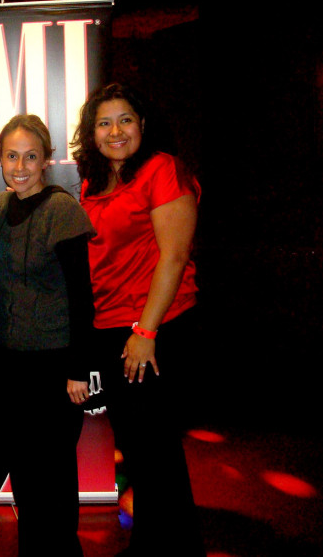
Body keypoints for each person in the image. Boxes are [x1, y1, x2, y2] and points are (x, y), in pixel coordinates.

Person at [71, 83, 206, 556]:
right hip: (111, 327)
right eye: (104, 123)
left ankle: (170, 547)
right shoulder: (93, 182)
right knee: (138, 447)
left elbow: (174, 256)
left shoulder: (161, 169)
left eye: (125, 120)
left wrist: (145, 331)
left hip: (153, 327)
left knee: (156, 448)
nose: (115, 131)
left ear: (142, 125)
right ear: (91, 133)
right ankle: (156, 542)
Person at [0, 114, 94, 556]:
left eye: (30, 157)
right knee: (24, 470)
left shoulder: (61, 210)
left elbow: (82, 296)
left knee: (54, 472)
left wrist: (78, 370)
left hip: (54, 365)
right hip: (10, 363)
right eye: (12, 156)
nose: (20, 167)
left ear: (47, 160)